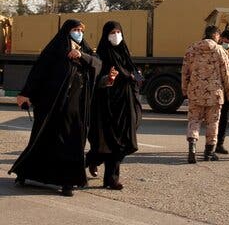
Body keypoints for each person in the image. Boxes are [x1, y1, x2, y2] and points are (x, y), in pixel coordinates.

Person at [9, 19, 102, 197]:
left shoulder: (85, 50)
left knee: (72, 142)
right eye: (75, 29)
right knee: (45, 139)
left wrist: (81, 56)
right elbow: (38, 72)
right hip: (52, 105)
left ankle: (68, 181)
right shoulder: (56, 49)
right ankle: (27, 173)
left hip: (76, 106)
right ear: (67, 31)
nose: (79, 33)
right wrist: (25, 94)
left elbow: (98, 64)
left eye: (81, 30)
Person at [86, 21, 142, 190]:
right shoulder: (101, 56)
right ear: (106, 35)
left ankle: (94, 161)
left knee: (125, 142)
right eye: (112, 32)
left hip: (126, 104)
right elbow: (95, 81)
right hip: (107, 105)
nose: (116, 36)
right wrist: (107, 80)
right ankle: (110, 178)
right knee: (108, 143)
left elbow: (133, 76)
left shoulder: (124, 53)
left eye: (118, 32)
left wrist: (136, 77)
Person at [182, 25, 229, 163]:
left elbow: (185, 71)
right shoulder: (220, 51)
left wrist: (184, 89)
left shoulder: (192, 49)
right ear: (216, 35)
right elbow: (227, 74)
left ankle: (192, 148)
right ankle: (208, 153)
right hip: (214, 94)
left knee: (194, 120)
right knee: (213, 123)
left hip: (195, 92)